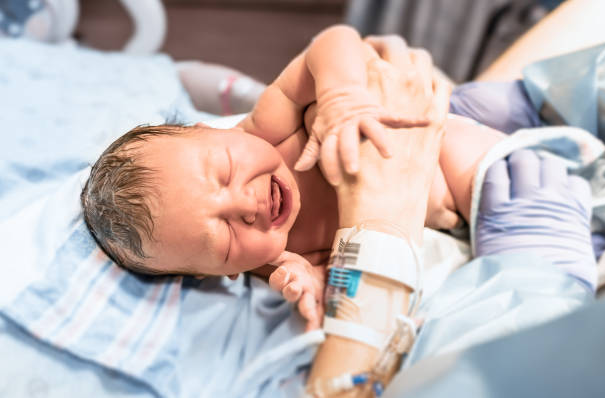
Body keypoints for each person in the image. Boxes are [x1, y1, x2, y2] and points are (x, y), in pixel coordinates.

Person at [80, 25, 505, 331]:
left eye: (225, 173)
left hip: (453, 122)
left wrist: (341, 97)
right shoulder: (272, 261)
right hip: (474, 206)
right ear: (220, 274)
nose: (246, 207)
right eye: (224, 240)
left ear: (210, 129)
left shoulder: (270, 127)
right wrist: (315, 283)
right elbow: (343, 272)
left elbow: (333, 43)